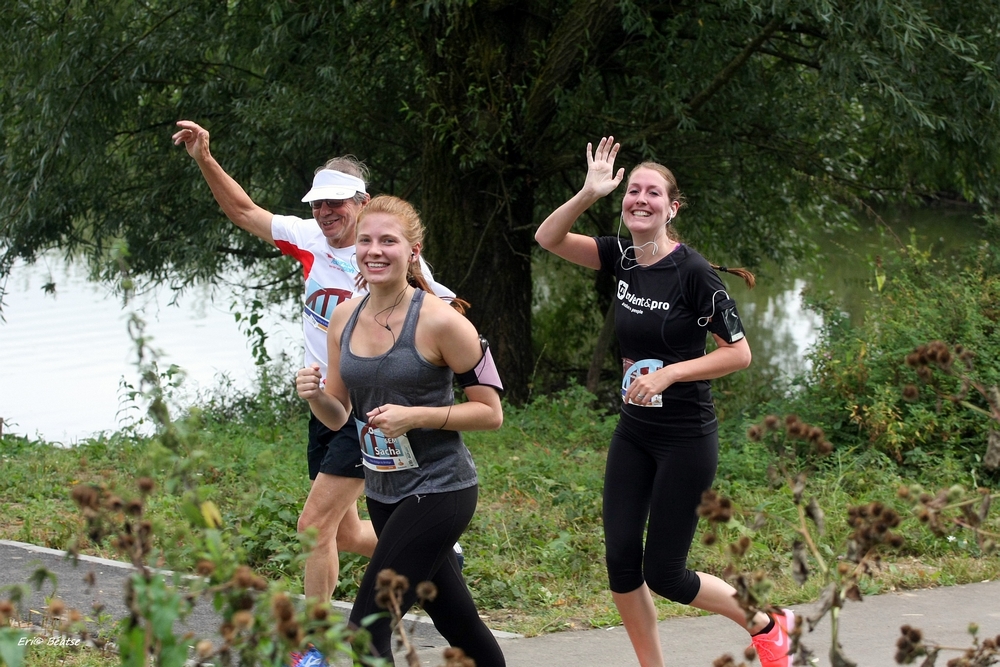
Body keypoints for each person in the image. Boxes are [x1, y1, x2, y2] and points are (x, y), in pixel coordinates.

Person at [534, 137, 794, 667]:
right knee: (621, 564)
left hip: (685, 438)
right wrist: (588, 192)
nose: (641, 199)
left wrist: (671, 373)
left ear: (671, 208)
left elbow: (738, 354)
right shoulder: (621, 254)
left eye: (654, 193)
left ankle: (768, 624)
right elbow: (548, 237)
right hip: (634, 432)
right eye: (633, 191)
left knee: (666, 574)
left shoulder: (693, 272)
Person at [171, 121, 456, 605]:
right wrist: (204, 157)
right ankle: (442, 556)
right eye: (318, 204)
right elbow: (243, 211)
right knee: (340, 534)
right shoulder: (309, 239)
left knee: (312, 526)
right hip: (325, 405)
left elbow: (443, 316)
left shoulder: (393, 257)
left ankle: (315, 645)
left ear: (362, 203)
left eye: (336, 204)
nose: (325, 213)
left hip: (367, 408)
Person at [296, 195, 506, 667]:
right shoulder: (344, 318)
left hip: (441, 488)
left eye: (388, 241)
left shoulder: (442, 321)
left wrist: (417, 416)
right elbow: (339, 415)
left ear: (413, 251)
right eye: (366, 240)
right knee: (458, 623)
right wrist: (315, 397)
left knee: (365, 628)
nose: (375, 250)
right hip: (384, 491)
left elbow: (490, 412)